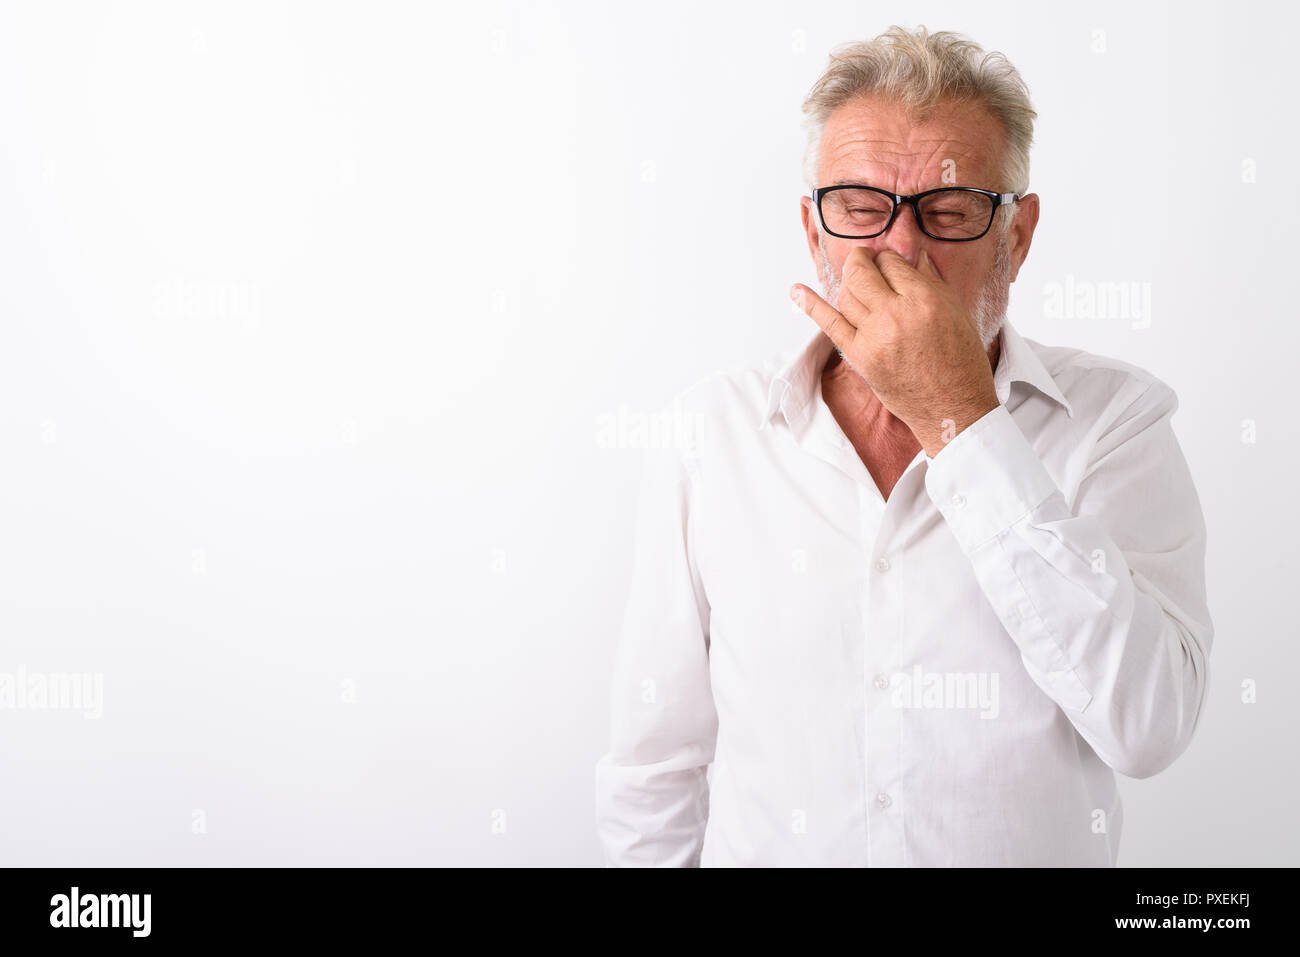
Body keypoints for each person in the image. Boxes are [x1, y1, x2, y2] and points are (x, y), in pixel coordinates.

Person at [594, 25, 1213, 866]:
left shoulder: (1115, 421)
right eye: (859, 208)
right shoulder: (711, 435)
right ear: (815, 235)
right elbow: (654, 768)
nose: (902, 248)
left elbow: (1149, 725)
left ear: (1017, 239)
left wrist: (962, 417)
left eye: (950, 212)